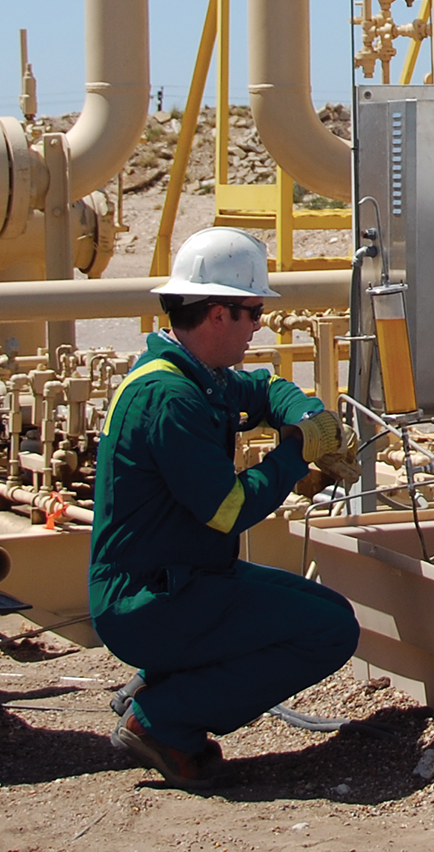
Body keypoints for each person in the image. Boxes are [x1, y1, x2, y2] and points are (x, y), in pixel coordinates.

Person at [92, 228, 362, 789]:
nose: (260, 324)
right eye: (253, 311)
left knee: (317, 605)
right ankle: (161, 720)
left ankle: (156, 684)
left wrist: (311, 420)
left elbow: (264, 390)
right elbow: (228, 509)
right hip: (152, 601)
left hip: (179, 581)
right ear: (218, 314)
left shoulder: (196, 377)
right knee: (329, 630)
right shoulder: (170, 399)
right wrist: (295, 454)